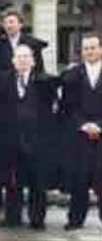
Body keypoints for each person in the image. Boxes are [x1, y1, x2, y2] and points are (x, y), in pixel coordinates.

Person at [0, 45, 58, 230]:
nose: (22, 60)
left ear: (33, 60)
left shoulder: (44, 81)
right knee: (13, 183)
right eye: (18, 57)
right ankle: (12, 217)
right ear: (13, 61)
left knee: (38, 183)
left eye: (26, 57)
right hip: (11, 140)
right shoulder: (3, 80)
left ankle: (37, 219)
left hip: (37, 141)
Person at [63, 34, 102, 230]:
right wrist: (85, 125)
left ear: (101, 49)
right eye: (86, 48)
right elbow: (68, 107)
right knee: (79, 179)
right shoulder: (72, 75)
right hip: (80, 135)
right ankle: (75, 220)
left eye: (93, 47)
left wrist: (99, 126)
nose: (89, 51)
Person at [0, 10, 48, 74]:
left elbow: (39, 68)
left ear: (20, 24)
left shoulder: (32, 43)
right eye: (5, 23)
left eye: (11, 22)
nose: (8, 25)